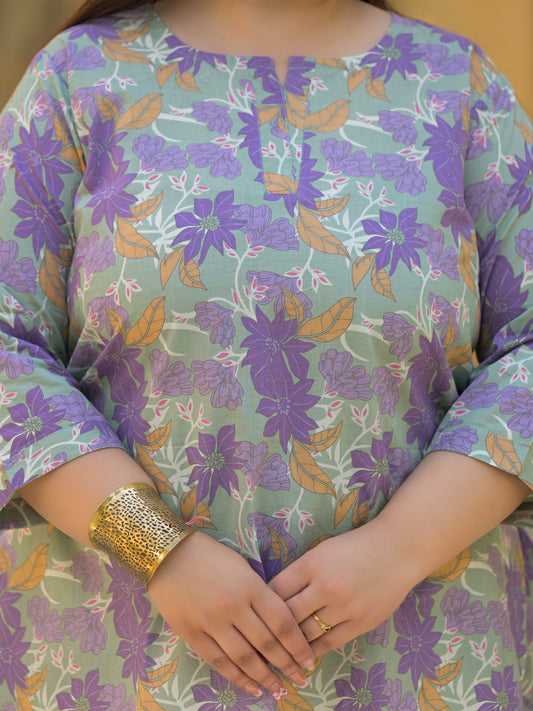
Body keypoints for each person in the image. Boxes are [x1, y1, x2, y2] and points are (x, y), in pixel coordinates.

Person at [0, 0, 532, 708]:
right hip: (119, 662)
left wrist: (399, 547)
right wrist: (158, 549)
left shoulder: (459, 86)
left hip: (425, 661)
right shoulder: (77, 78)